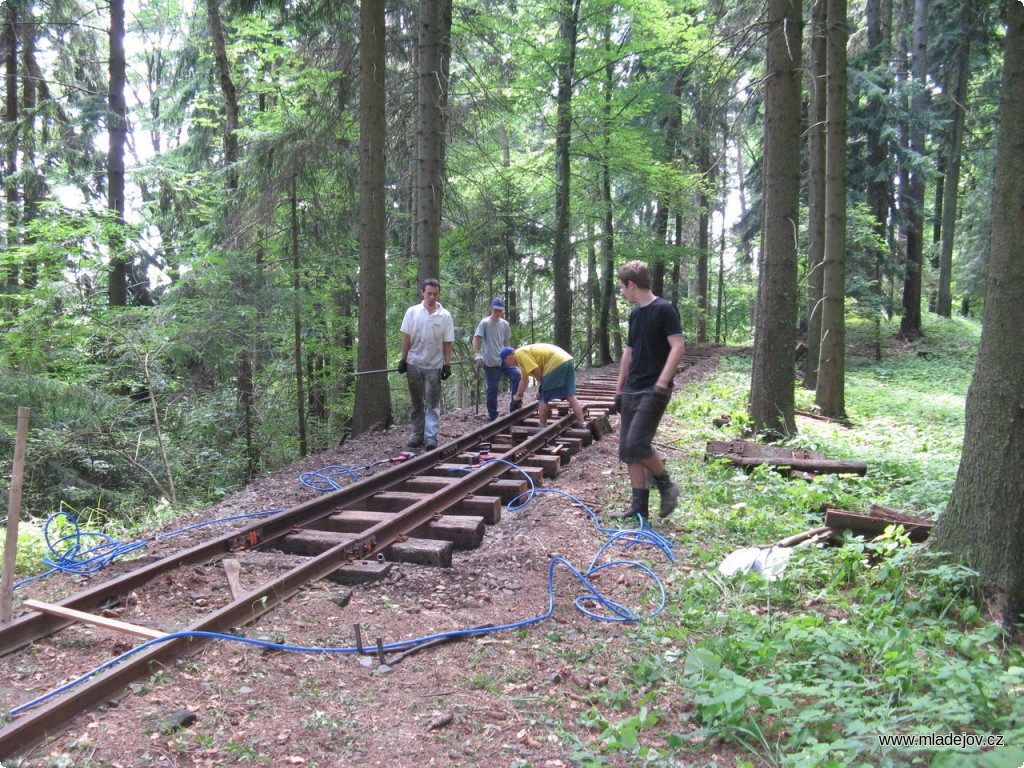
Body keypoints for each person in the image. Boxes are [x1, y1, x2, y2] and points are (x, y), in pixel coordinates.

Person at [611, 260, 686, 520]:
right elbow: (629, 353)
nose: (621, 292)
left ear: (632, 284)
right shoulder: (635, 314)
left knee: (638, 444)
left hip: (654, 389)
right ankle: (639, 508)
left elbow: (677, 346)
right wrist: (619, 390)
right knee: (628, 451)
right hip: (632, 389)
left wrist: (662, 382)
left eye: (622, 287)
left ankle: (666, 486)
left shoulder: (665, 309)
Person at [397, 277, 454, 451]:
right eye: (429, 293)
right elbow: (407, 337)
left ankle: (431, 437)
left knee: (433, 402)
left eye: (435, 294)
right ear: (422, 293)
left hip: (434, 365)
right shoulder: (412, 312)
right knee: (416, 402)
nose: (432, 297)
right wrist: (403, 359)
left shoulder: (445, 316)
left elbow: (447, 342)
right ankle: (417, 434)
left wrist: (447, 364)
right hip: (414, 363)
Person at [501, 343, 586, 427]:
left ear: (508, 357)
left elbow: (536, 370)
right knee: (570, 395)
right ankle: (582, 423)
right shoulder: (522, 359)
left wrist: (540, 385)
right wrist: (518, 396)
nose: (508, 365)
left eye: (505, 362)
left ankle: (542, 426)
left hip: (556, 363)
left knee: (543, 397)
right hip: (567, 360)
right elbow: (523, 380)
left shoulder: (519, 354)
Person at [473, 298, 522, 420]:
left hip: (504, 360)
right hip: (490, 361)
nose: (497, 312)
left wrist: (513, 356)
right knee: (493, 388)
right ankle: (493, 414)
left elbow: (506, 342)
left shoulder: (504, 324)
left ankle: (515, 407)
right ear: (491, 308)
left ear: (502, 311)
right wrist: (477, 354)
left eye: (499, 310)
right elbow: (476, 339)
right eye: (495, 309)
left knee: (517, 376)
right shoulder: (485, 323)